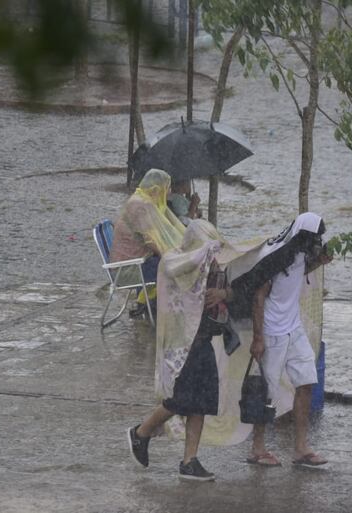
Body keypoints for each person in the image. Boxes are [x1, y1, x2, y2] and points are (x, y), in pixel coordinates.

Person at [127, 220, 235, 482]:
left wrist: (221, 293)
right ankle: (141, 432)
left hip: (205, 338)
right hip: (183, 346)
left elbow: (231, 293)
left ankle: (190, 461)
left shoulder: (214, 265)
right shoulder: (175, 263)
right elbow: (184, 286)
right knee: (181, 400)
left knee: (203, 402)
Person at [229, 212, 332, 468]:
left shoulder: (298, 251)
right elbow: (258, 296)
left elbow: (297, 272)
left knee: (307, 381)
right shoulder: (274, 255)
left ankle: (300, 448)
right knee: (267, 391)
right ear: (303, 235)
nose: (316, 242)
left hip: (294, 327)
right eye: (314, 238)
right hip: (273, 330)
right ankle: (257, 448)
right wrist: (258, 337)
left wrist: (319, 262)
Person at [109, 169, 186, 316]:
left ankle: (149, 304)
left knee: (170, 262)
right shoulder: (140, 206)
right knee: (175, 268)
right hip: (128, 270)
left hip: (134, 262)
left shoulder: (141, 200)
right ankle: (166, 312)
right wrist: (169, 257)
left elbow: (154, 237)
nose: (168, 193)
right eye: (166, 188)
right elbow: (151, 242)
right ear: (156, 188)